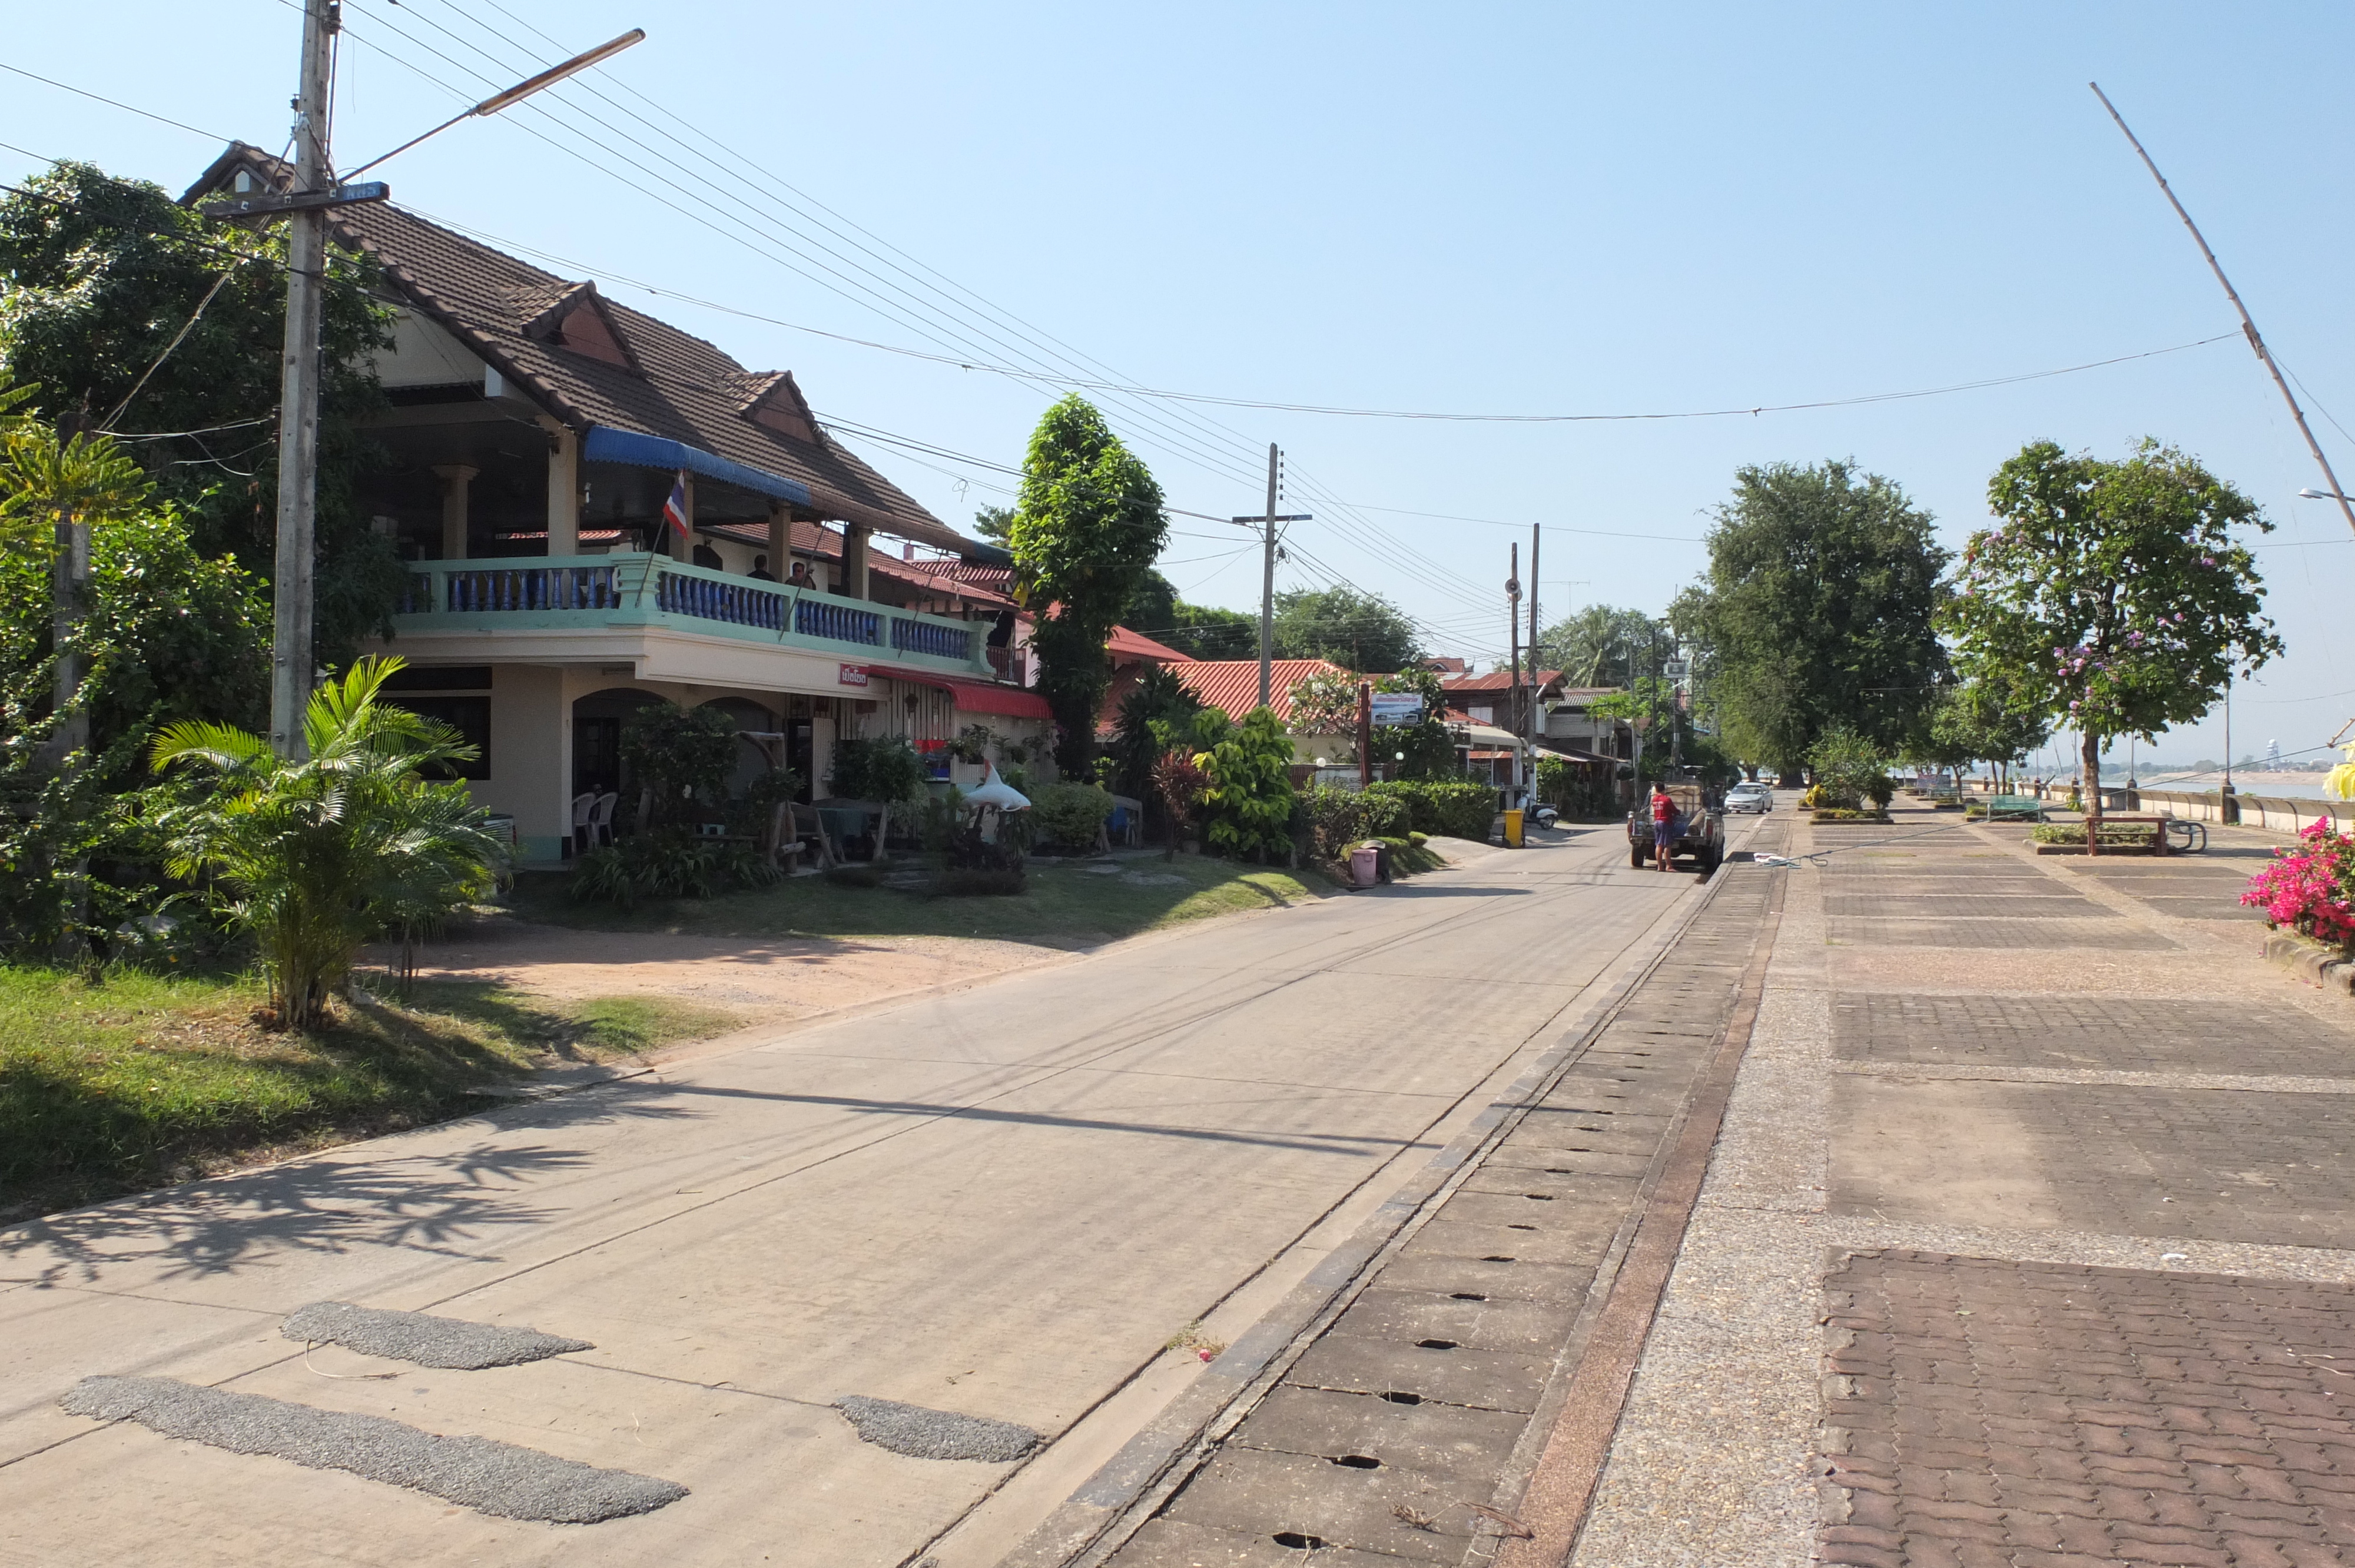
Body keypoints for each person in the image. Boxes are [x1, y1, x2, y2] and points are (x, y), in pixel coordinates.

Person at [1650, 783, 1679, 872]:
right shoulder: (1667, 799)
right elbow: (1674, 810)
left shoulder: (1654, 800)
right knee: (1667, 845)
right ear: (1664, 790)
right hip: (1665, 823)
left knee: (1659, 845)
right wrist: (1679, 812)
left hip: (1657, 822)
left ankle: (1660, 866)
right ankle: (1668, 866)